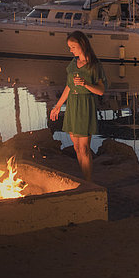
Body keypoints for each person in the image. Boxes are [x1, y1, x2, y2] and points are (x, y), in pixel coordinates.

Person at [50, 30, 105, 181]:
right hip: (72, 105)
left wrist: (86, 84)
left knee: (84, 148)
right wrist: (58, 106)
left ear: (82, 44)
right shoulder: (73, 64)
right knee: (76, 147)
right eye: (69, 47)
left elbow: (100, 91)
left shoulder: (94, 66)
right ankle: (84, 177)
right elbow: (68, 87)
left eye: (73, 47)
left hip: (85, 105)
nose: (70, 50)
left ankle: (88, 182)